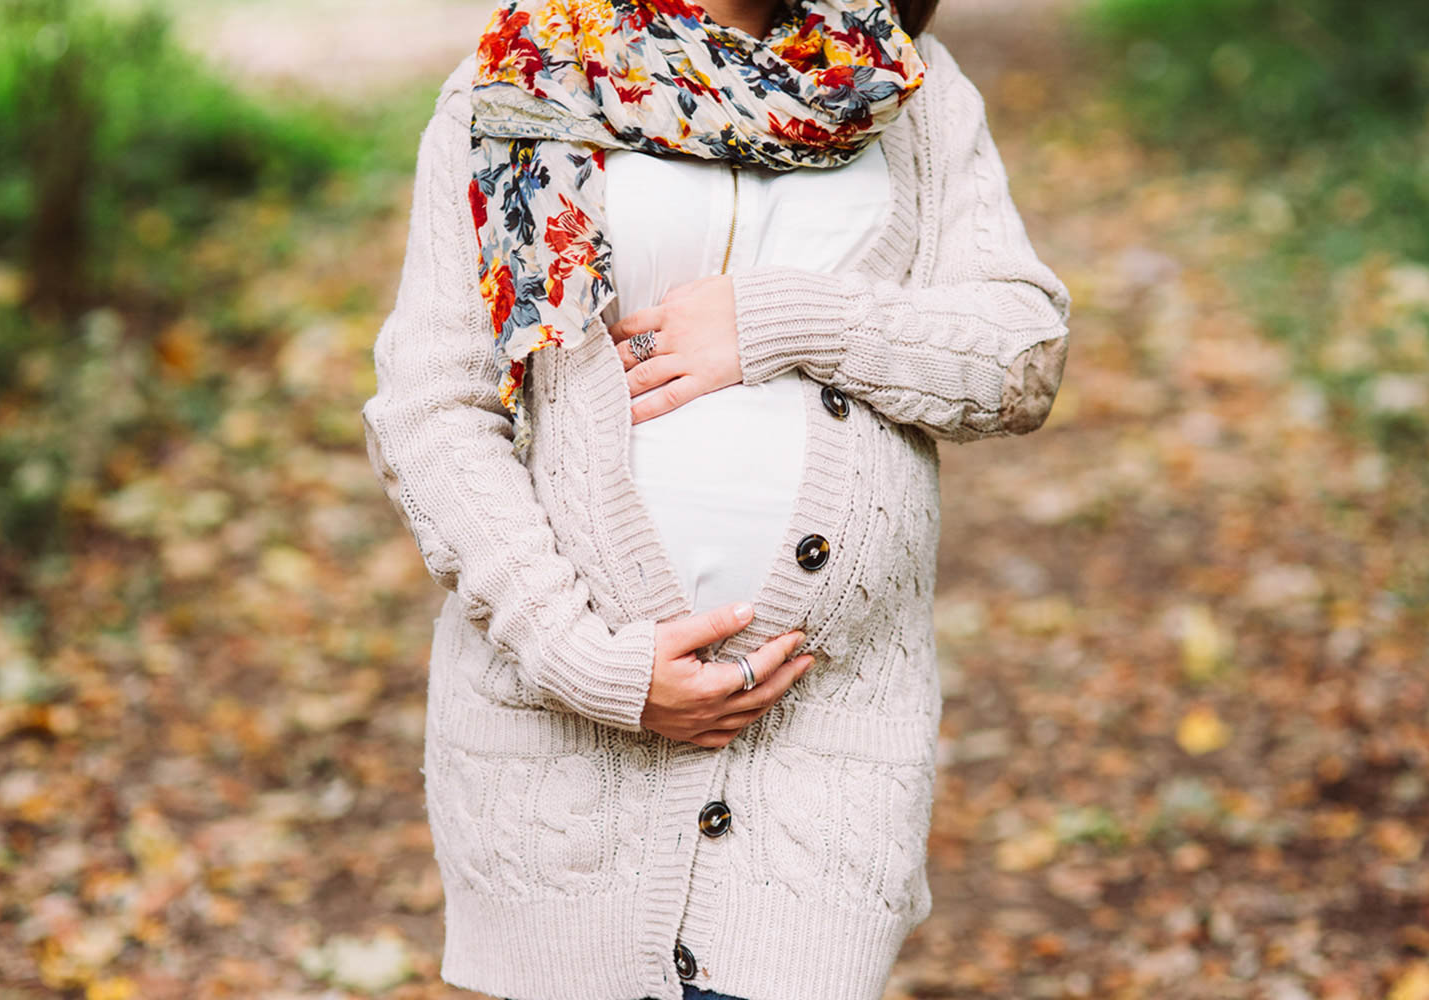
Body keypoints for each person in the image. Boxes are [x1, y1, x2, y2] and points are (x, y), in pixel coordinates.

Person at [359, 0, 1072, 996]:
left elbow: (1019, 356)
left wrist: (783, 316)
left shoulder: (901, 83)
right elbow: (435, 408)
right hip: (562, 740)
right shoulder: (526, 76)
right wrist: (587, 659)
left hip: (822, 739)